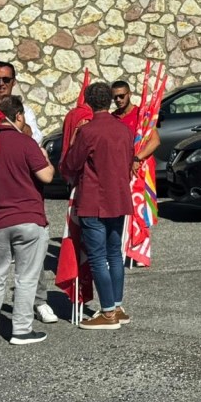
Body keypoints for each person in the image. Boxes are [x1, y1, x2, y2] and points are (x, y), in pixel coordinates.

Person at [0, 60, 57, 324]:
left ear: (13, 81)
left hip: (21, 195)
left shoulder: (25, 111)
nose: (0, 84)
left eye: (5, 80)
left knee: (30, 258)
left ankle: (39, 302)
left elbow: (33, 141)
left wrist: (16, 121)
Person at [61, 82, 135, 330]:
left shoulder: (88, 131)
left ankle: (108, 312)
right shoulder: (124, 130)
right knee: (115, 254)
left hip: (94, 199)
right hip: (119, 197)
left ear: (90, 103)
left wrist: (73, 139)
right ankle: (116, 305)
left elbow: (71, 163)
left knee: (97, 257)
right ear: (110, 101)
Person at [111, 80, 161, 175]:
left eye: (121, 96)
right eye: (115, 97)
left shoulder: (142, 115)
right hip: (120, 170)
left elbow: (155, 141)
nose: (118, 99)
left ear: (129, 94)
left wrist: (137, 158)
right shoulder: (112, 117)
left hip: (140, 168)